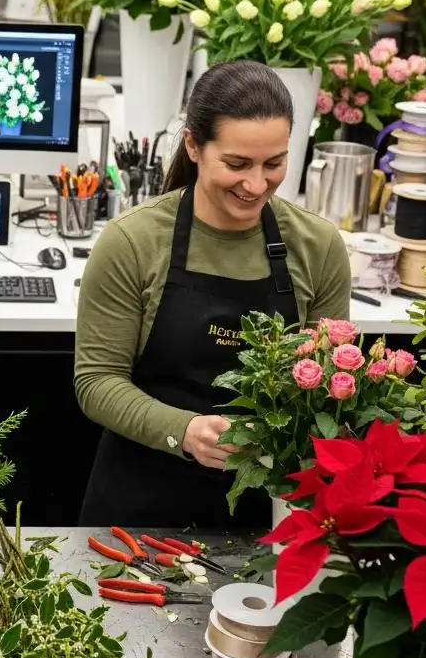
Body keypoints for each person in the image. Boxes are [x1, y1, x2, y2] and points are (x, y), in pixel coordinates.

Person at [74, 60, 351, 529]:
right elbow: (97, 381)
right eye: (237, 164)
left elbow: (329, 389)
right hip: (141, 507)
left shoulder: (317, 246)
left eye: (274, 163)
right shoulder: (132, 243)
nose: (257, 184)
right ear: (193, 146)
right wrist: (183, 430)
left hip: (272, 509)